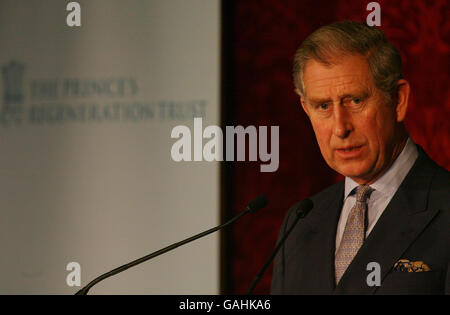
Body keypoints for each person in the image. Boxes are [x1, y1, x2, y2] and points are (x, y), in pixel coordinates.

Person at [270, 21, 450, 295]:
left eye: (355, 101)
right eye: (323, 106)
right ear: (306, 110)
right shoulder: (300, 223)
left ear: (398, 100)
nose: (341, 128)